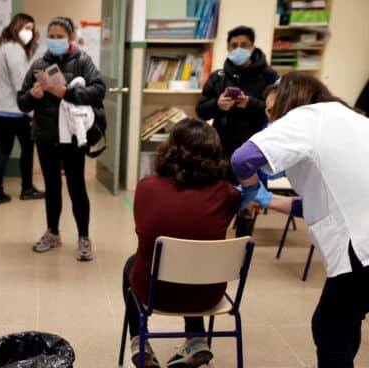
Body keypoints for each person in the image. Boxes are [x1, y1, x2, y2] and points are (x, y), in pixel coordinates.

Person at [230, 72, 369, 368]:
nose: (269, 120)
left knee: (329, 328)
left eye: (270, 111)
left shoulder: (306, 117)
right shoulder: (349, 118)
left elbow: (242, 159)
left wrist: (252, 187)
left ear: (288, 102)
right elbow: (324, 204)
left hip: (362, 244)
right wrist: (267, 200)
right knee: (345, 322)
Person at [123, 118, 242, 368]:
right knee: (195, 258)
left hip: (156, 293)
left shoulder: (146, 188)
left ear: (170, 149)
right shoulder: (228, 194)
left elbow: (142, 236)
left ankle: (139, 341)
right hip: (208, 294)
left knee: (132, 263)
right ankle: (197, 339)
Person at [17, 16, 105, 261]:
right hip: (45, 136)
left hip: (73, 137)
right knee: (52, 187)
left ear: (71, 37)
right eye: (52, 36)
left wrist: (66, 92)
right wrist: (33, 95)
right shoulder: (39, 63)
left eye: (60, 36)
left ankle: (84, 237)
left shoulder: (83, 61)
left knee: (77, 187)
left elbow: (99, 89)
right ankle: (53, 232)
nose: (55, 41)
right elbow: (22, 102)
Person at [196, 25, 278, 237]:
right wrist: (217, 105)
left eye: (244, 45)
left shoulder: (269, 77)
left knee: (249, 200)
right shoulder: (218, 76)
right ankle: (216, 235)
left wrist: (251, 104)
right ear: (227, 48)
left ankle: (242, 238)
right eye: (234, 46)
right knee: (218, 197)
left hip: (255, 147)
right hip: (222, 146)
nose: (238, 49)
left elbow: (278, 113)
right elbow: (201, 111)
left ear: (253, 46)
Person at [0, 13, 45, 206]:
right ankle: (27, 189)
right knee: (27, 149)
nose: (29, 33)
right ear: (17, 27)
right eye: (26, 29)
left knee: (4, 149)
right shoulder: (14, 49)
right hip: (15, 111)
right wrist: (32, 112)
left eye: (32, 29)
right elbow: (20, 84)